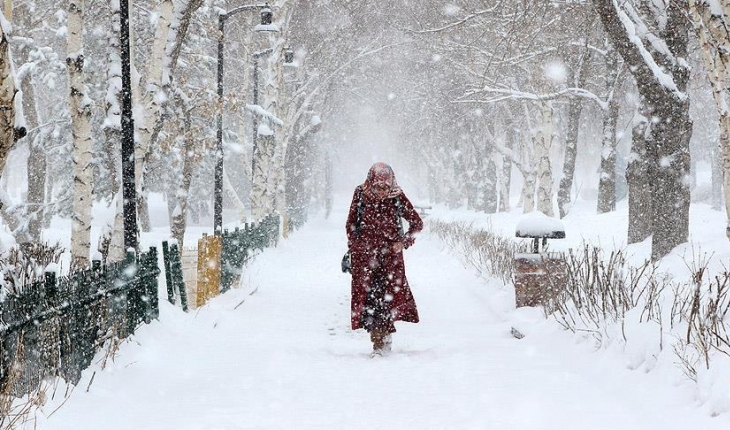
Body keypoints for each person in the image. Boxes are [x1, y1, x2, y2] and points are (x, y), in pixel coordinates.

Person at [345, 162, 423, 356]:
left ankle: (382, 341)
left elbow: (417, 223)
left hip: (390, 261)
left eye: (385, 187)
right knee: (369, 301)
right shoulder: (361, 194)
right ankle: (378, 339)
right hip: (365, 260)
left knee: (385, 300)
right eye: (378, 186)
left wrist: (403, 243)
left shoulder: (397, 197)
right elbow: (351, 224)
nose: (381, 191)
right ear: (371, 182)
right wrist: (357, 246)